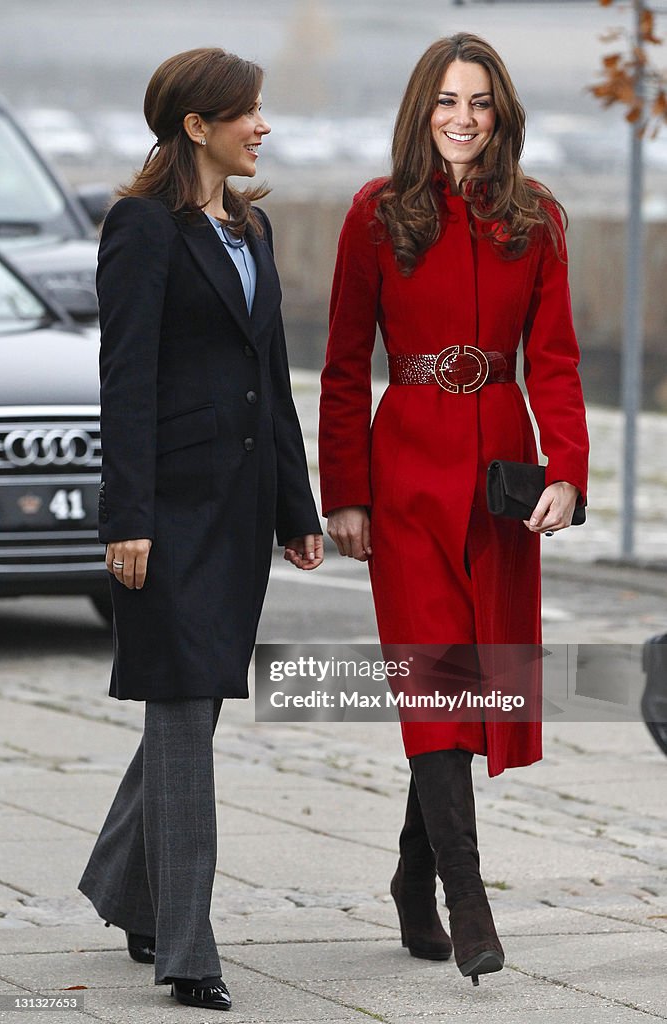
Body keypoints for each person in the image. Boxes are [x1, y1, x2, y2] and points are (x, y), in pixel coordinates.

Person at [319, 33, 588, 986]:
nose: (462, 118)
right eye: (445, 101)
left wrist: (567, 471)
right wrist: (342, 493)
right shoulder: (375, 214)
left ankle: (408, 873)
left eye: (478, 101)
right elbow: (345, 365)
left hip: (502, 482)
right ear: (420, 111)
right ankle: (467, 900)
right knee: (431, 672)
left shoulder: (537, 217)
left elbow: (554, 358)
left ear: (502, 112)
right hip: (405, 480)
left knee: (473, 683)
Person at [78, 47, 323, 1013]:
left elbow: (274, 374)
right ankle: (188, 948)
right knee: (183, 724)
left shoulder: (249, 226)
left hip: (237, 513)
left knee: (194, 707)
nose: (261, 126)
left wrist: (295, 508)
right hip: (170, 515)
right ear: (196, 126)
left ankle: (117, 884)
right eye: (247, 112)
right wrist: (126, 517)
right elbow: (124, 380)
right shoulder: (141, 229)